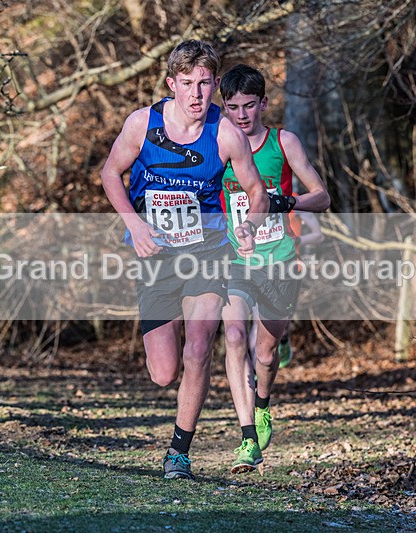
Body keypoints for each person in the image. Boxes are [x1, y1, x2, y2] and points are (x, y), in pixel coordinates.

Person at [101, 41, 268, 480]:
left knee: (199, 347)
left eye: (205, 83)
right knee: (163, 372)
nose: (197, 93)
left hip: (207, 253)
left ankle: (179, 453)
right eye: (188, 83)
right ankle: (174, 410)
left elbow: (256, 191)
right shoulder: (143, 124)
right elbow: (109, 173)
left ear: (215, 84)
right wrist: (135, 225)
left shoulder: (225, 133)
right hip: (155, 257)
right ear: (172, 84)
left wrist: (248, 225)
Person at [219, 64, 330, 473]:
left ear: (264, 103)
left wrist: (286, 203)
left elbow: (322, 196)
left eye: (250, 106)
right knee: (233, 335)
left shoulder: (283, 142)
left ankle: (262, 403)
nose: (242, 115)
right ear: (224, 107)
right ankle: (248, 438)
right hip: (234, 259)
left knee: (265, 354)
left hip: (280, 259)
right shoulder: (216, 143)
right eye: (233, 107)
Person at [272, 210, 324, 368]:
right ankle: (255, 370)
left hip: (291, 269)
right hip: (260, 267)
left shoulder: (295, 202)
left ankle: (284, 339)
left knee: (282, 322)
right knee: (258, 322)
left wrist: (294, 240)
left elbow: (318, 235)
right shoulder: (250, 200)